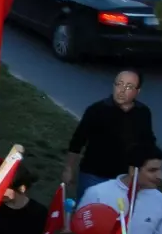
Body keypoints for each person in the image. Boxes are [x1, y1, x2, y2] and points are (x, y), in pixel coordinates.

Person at [61, 70, 156, 202]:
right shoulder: (96, 110)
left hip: (124, 179)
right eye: (119, 84)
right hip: (93, 176)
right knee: (87, 213)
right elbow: (77, 141)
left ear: (137, 91)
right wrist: (69, 168)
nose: (122, 90)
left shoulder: (143, 113)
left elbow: (148, 142)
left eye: (129, 86)